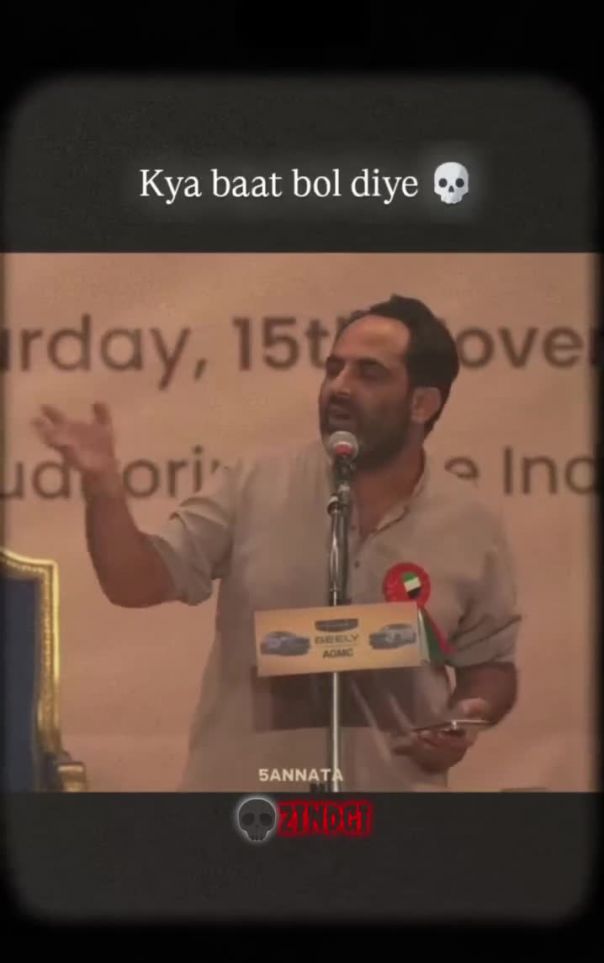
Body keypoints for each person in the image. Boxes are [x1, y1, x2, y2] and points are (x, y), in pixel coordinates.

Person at [32, 294, 521, 792]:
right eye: (334, 369)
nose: (340, 386)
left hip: (392, 810)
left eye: (369, 373)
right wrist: (103, 487)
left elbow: (490, 665)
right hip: (248, 808)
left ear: (422, 404)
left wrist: (466, 715)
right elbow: (133, 583)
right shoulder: (252, 484)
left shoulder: (470, 522)